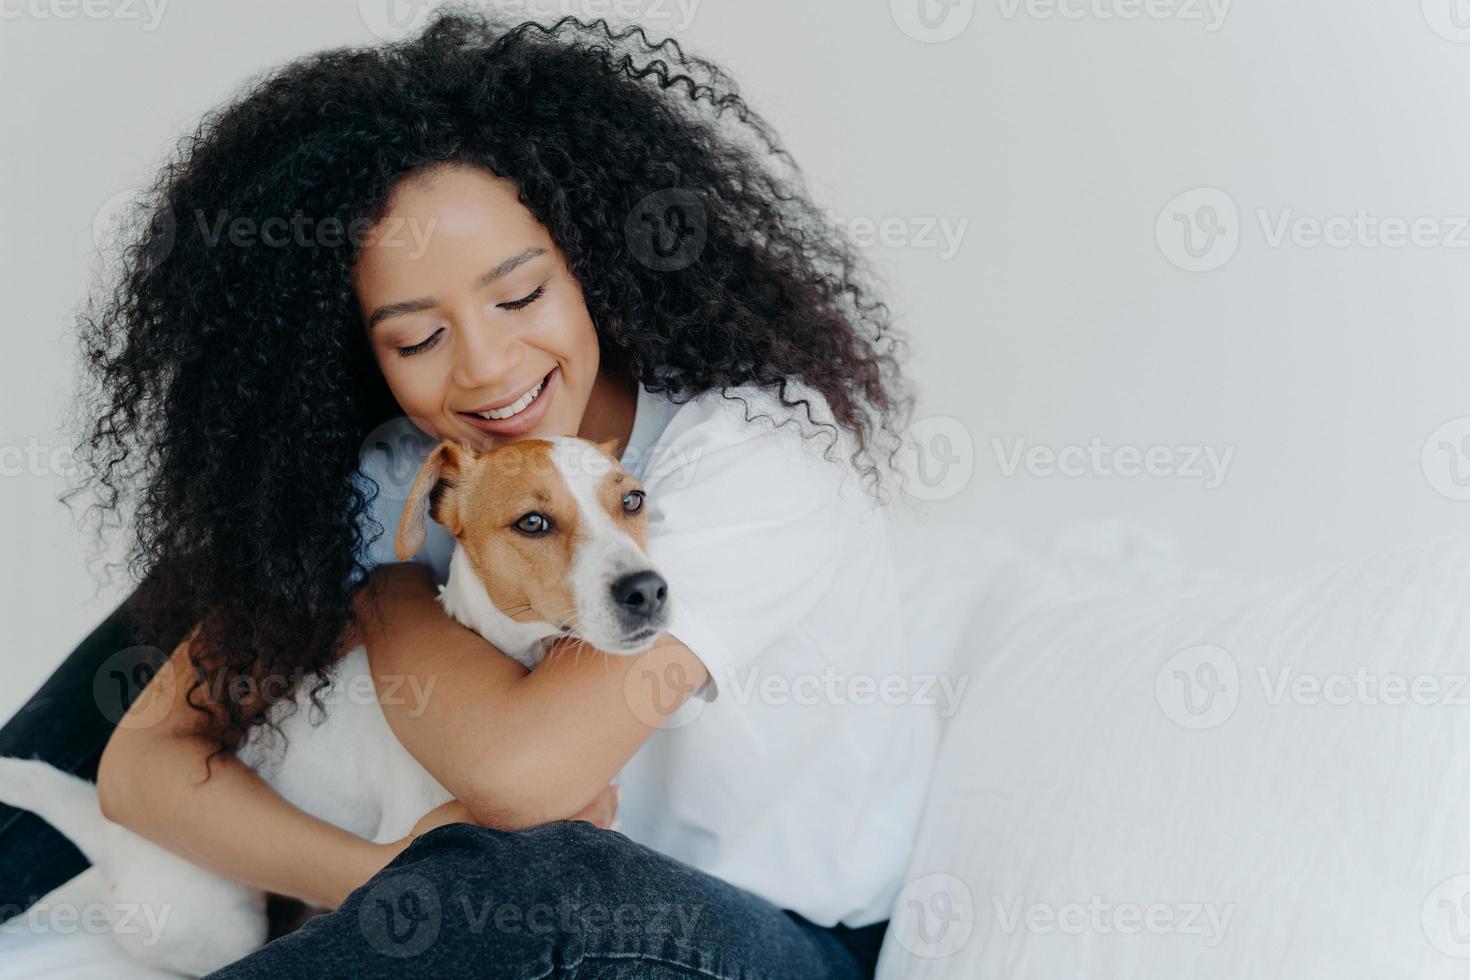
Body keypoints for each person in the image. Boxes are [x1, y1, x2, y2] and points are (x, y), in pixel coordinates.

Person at [0, 10, 934, 978]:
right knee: (243, 565)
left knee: (527, 871)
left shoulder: (755, 452)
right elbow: (145, 760)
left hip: (770, 938)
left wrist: (384, 590)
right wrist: (378, 876)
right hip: (468, 889)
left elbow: (516, 778)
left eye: (520, 296)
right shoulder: (404, 469)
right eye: (415, 337)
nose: (488, 369)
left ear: (594, 263)